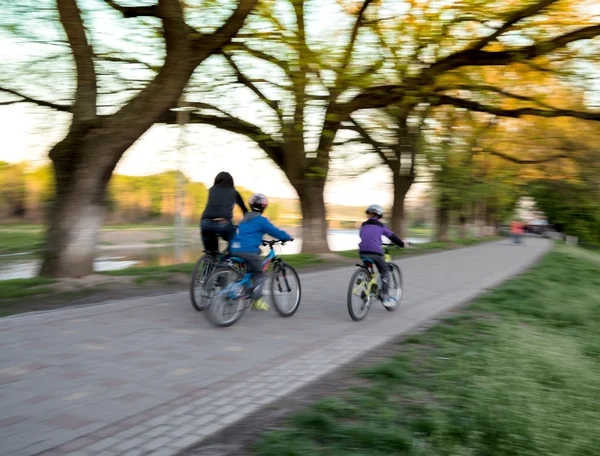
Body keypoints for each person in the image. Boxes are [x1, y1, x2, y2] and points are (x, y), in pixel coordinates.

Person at [230, 193, 292, 311]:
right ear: (263, 207)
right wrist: (287, 237)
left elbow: (247, 234)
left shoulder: (245, 218)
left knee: (250, 271)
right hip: (248, 251)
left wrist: (259, 239)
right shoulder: (261, 220)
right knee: (261, 274)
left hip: (235, 249)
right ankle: (257, 299)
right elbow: (274, 231)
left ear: (251, 205)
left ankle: (248, 292)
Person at [358, 204, 408, 309]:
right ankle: (385, 296)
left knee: (369, 270)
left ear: (370, 215)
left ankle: (364, 282)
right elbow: (392, 236)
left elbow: (364, 236)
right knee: (385, 270)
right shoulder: (381, 226)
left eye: (368, 214)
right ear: (379, 216)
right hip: (376, 253)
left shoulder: (363, 225)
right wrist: (402, 244)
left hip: (362, 252)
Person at [201, 172, 248, 255]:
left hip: (205, 222)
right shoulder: (234, 192)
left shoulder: (211, 190)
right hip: (223, 222)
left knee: (211, 252)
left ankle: (209, 260)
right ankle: (230, 258)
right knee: (234, 238)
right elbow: (244, 210)